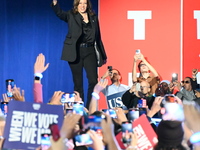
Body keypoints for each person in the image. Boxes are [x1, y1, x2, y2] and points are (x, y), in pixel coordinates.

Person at [51, 0, 107, 109]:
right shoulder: (71, 15)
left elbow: (98, 38)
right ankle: (79, 108)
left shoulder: (93, 17)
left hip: (89, 50)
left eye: (85, 3)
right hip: (75, 51)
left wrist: (103, 55)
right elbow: (60, 14)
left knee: (93, 81)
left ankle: (90, 107)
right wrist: (55, 4)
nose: (82, 6)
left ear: (88, 5)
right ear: (76, 5)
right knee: (78, 83)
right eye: (80, 3)